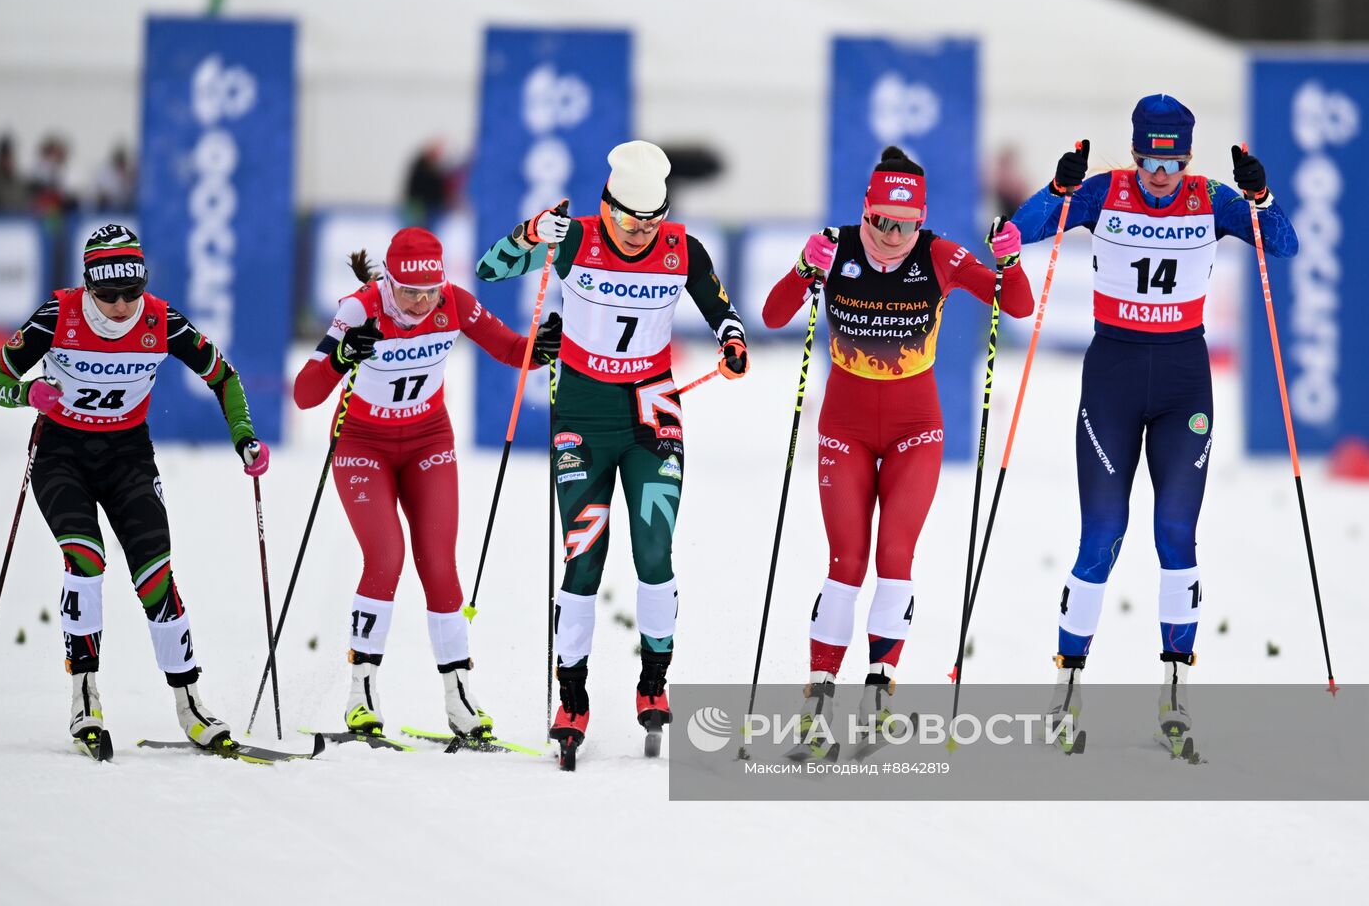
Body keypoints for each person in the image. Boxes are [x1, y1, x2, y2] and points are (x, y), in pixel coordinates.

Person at [1012, 94, 1299, 756]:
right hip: (1112, 378)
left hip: (1182, 382)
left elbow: (1283, 245)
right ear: (1134, 151)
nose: (1160, 174)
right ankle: (1067, 687)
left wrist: (1261, 197)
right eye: (1149, 158)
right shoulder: (1105, 192)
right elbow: (1018, 233)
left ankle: (1175, 689)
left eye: (1172, 160)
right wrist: (1059, 188)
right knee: (1103, 535)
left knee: (1176, 534)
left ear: (1188, 156)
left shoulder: (1212, 198)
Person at [476, 140, 748, 758]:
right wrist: (528, 234)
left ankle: (654, 682)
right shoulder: (576, 239)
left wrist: (732, 341)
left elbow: (721, 310)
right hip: (581, 413)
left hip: (653, 414)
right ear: (606, 207)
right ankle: (572, 696)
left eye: (649, 222)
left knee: (654, 549)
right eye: (625, 220)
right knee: (583, 557)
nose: (636, 233)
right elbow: (490, 270)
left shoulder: (682, 249)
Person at [762, 146, 1034, 749]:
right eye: (880, 220)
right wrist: (804, 273)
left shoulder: (940, 254)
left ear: (921, 220)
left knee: (895, 555)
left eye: (904, 224)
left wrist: (1010, 263)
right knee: (847, 562)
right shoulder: (834, 247)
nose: (890, 235)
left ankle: (880, 689)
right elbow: (774, 315)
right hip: (845, 428)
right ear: (865, 212)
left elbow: (1015, 304)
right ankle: (819, 697)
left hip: (917, 428)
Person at [0, 224, 268, 751]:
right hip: (61, 454)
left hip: (127, 456)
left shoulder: (161, 319)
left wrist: (243, 437)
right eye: (106, 294)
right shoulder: (57, 314)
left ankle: (190, 703)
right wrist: (31, 392)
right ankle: (84, 695)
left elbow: (223, 375)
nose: (119, 306)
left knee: (155, 569)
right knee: (85, 558)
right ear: (88, 286)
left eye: (130, 292)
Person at [293, 227, 559, 742]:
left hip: (427, 440)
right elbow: (306, 394)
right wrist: (342, 356)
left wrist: (542, 346)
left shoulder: (453, 303)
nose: (420, 303)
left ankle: (460, 696)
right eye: (409, 292)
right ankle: (361, 693)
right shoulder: (358, 310)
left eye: (430, 291)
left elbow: (511, 350)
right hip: (362, 444)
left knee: (439, 563)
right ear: (388, 282)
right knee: (386, 557)